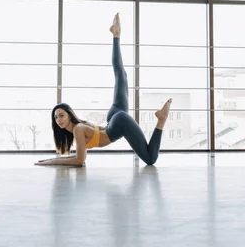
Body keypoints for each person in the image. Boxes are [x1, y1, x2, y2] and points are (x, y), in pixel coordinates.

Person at [35, 13, 172, 167]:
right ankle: (116, 34)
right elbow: (79, 157)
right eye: (56, 118)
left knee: (150, 159)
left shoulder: (78, 129)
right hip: (113, 118)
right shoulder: (79, 128)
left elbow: (80, 161)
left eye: (61, 115)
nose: (58, 120)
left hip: (118, 123)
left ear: (69, 115)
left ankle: (161, 120)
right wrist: (49, 160)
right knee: (121, 75)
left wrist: (52, 161)